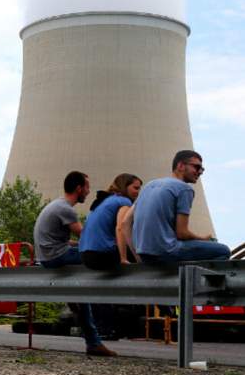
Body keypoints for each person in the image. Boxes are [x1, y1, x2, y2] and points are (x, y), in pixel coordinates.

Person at [34, 171, 115, 357]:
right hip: (56, 257)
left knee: (81, 297)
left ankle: (93, 343)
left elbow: (65, 241)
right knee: (106, 256)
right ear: (79, 188)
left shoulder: (56, 205)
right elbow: (88, 237)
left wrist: (78, 245)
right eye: (87, 187)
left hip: (50, 255)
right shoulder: (66, 209)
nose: (88, 191)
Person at [124, 150, 231, 264]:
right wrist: (203, 239)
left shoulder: (149, 185)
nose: (200, 172)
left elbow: (125, 222)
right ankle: (192, 280)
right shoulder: (184, 189)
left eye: (202, 169)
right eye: (196, 167)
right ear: (180, 166)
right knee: (223, 251)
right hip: (166, 252)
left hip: (144, 254)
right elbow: (182, 233)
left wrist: (137, 256)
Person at [80, 173, 142, 269]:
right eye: (135, 188)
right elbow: (121, 227)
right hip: (101, 255)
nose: (138, 192)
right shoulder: (124, 201)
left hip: (85, 256)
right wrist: (123, 259)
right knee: (142, 254)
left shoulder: (105, 200)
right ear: (124, 186)